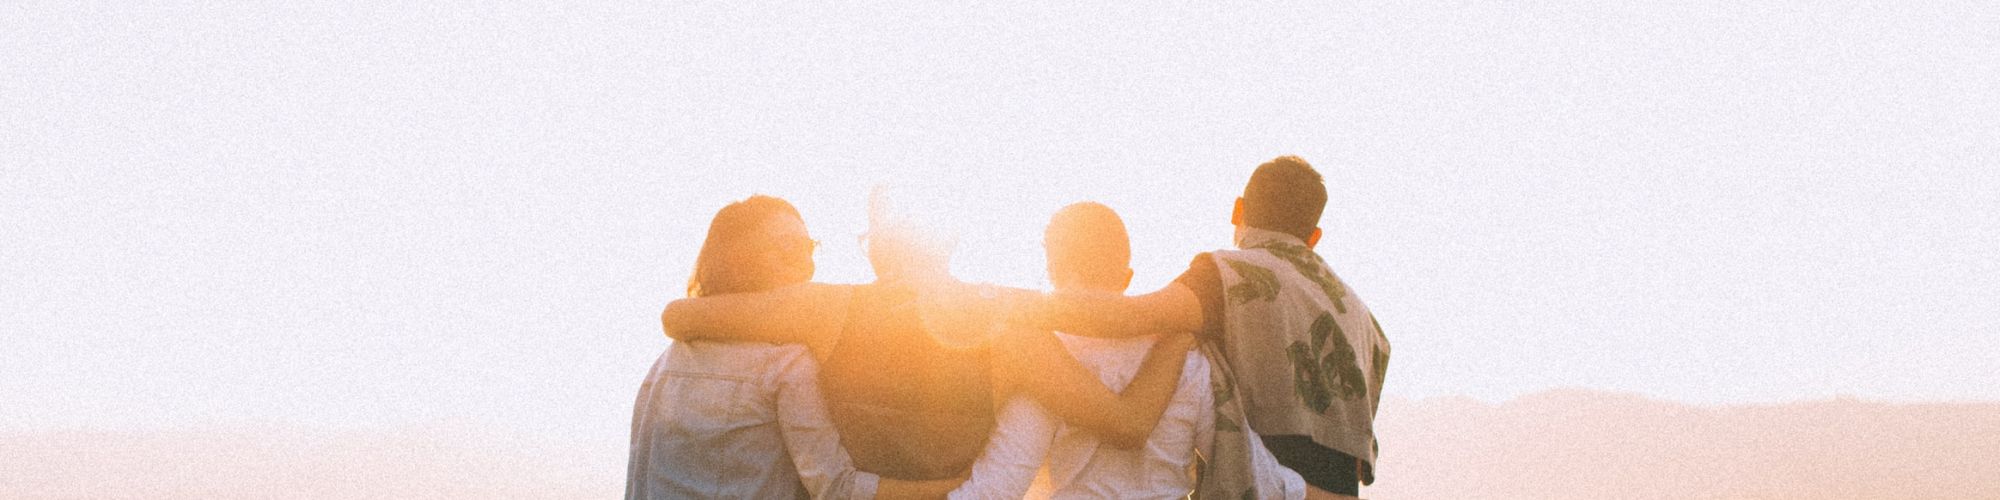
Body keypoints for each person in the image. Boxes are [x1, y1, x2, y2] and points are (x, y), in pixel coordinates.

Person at [659, 189, 1193, 487]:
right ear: (950, 237)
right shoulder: (1009, 325)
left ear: (874, 245)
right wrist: (1178, 331)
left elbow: (682, 316)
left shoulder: (824, 310)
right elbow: (1127, 424)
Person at [1032, 157, 1391, 499]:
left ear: (1238, 210)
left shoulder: (1230, 277)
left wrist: (1008, 309)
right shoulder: (1367, 323)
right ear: (1313, 237)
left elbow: (1130, 319)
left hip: (1262, 486)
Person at [948, 202, 1310, 500]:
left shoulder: (1049, 360)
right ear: (1127, 276)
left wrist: (893, 487)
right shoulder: (1189, 358)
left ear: (1054, 269)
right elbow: (1258, 477)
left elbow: (995, 491)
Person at [627, 195, 963, 499]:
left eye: (808, 248)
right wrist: (962, 488)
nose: (806, 265)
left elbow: (638, 483)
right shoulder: (786, 364)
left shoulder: (663, 365)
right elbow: (837, 488)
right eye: (788, 249)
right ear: (740, 259)